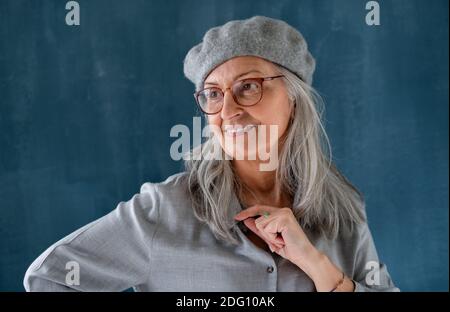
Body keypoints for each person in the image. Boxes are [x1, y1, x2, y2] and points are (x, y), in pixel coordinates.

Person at [24, 15, 399, 292]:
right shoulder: (163, 211)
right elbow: (50, 278)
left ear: (295, 99)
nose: (229, 110)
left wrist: (318, 267)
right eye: (213, 94)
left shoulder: (344, 211)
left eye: (248, 87)